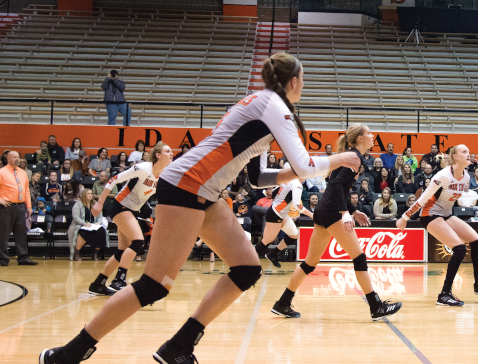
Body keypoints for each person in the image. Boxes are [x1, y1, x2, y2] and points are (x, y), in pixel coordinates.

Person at [40, 52, 362, 364]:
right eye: (303, 79)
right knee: (154, 284)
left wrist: (306, 168)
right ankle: (69, 354)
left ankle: (178, 346)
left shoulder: (262, 103)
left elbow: (257, 178)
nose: (303, 85)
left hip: (203, 190)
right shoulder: (276, 107)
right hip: (187, 185)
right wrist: (343, 158)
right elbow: (305, 166)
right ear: (293, 81)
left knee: (247, 268)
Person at [271, 123, 401, 320]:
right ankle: (376, 307)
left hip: (323, 210)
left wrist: (354, 211)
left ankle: (282, 303)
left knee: (309, 263)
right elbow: (338, 185)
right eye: (369, 133)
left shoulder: (349, 156)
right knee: (359, 258)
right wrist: (345, 213)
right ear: (360, 138)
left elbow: (335, 187)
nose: (373, 135)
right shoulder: (354, 157)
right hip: (332, 212)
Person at [398, 144, 478, 306]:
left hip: (446, 214)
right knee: (460, 249)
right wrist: (405, 217)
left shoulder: (466, 177)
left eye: (469, 151)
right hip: (430, 214)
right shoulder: (443, 176)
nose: (468, 154)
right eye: (464, 152)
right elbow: (423, 198)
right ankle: (444, 294)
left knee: (476, 241)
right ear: (455, 157)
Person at [86, 142, 174, 296]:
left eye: (171, 151)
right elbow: (113, 179)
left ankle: (98, 284)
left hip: (132, 211)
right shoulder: (143, 168)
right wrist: (100, 203)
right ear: (158, 155)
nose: (171, 153)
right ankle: (119, 280)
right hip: (120, 206)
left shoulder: (164, 174)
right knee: (138, 242)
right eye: (167, 151)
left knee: (122, 251)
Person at [256, 174, 313, 268]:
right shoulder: (297, 184)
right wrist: (311, 215)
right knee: (266, 241)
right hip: (275, 214)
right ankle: (248, 262)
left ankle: (273, 254)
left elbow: (274, 191)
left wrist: (275, 202)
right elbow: (297, 204)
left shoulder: (289, 180)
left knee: (294, 235)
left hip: (280, 213)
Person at [0, 151, 37, 266]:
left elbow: (26, 190)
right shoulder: (2, 172)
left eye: (18, 157)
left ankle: (23, 258)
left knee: (21, 233)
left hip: (21, 206)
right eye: (14, 157)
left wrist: (29, 206)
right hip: (6, 206)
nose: (17, 159)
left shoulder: (22, 172)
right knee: (3, 234)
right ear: (8, 159)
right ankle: (3, 259)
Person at [72, 189, 108, 261]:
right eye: (88, 194)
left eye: (91, 193)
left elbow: (100, 216)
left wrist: (98, 222)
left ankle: (95, 253)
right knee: (84, 232)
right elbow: (76, 217)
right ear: (84, 195)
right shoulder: (78, 204)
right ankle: (77, 253)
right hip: (81, 225)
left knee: (101, 231)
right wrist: (84, 224)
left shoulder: (96, 203)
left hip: (93, 225)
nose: (90, 195)